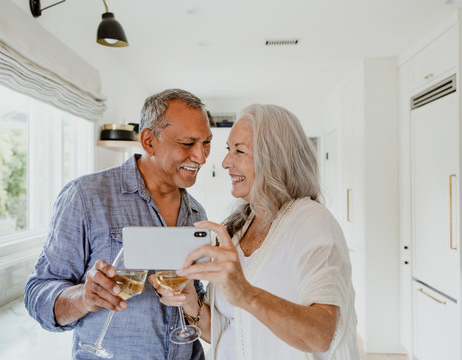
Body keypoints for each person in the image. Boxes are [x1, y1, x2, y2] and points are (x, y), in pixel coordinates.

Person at [150, 104, 359, 359]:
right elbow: (226, 329)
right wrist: (190, 300)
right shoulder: (239, 227)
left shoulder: (311, 221)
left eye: (240, 151)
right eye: (229, 150)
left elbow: (321, 335)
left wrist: (247, 294)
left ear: (275, 158)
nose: (226, 162)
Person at [24, 88, 213, 360]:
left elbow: (194, 301)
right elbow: (37, 293)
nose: (201, 157)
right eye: (187, 143)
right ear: (149, 141)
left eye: (206, 142)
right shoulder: (85, 196)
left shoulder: (197, 213)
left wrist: (193, 302)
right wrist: (84, 297)